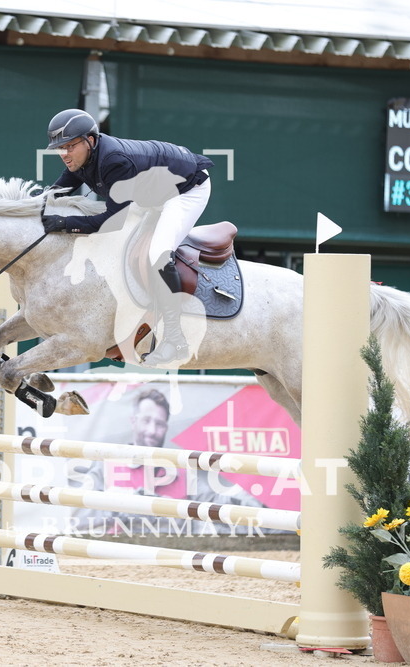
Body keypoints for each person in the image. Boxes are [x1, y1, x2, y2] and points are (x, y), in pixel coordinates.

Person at [40, 108, 214, 365]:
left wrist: (64, 223)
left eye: (70, 146)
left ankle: (175, 340)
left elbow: (110, 222)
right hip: (154, 189)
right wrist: (35, 207)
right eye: (59, 148)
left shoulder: (114, 161)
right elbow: (60, 188)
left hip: (186, 191)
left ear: (91, 140)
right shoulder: (82, 157)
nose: (64, 154)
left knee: (157, 254)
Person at [68, 387, 261, 536]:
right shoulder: (107, 465)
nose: (152, 430)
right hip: (117, 556)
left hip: (172, 560)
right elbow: (78, 518)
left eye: (159, 424)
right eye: (146, 421)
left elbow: (217, 504)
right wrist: (120, 510)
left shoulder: (181, 472)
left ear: (166, 427)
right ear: (133, 421)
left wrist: (256, 509)